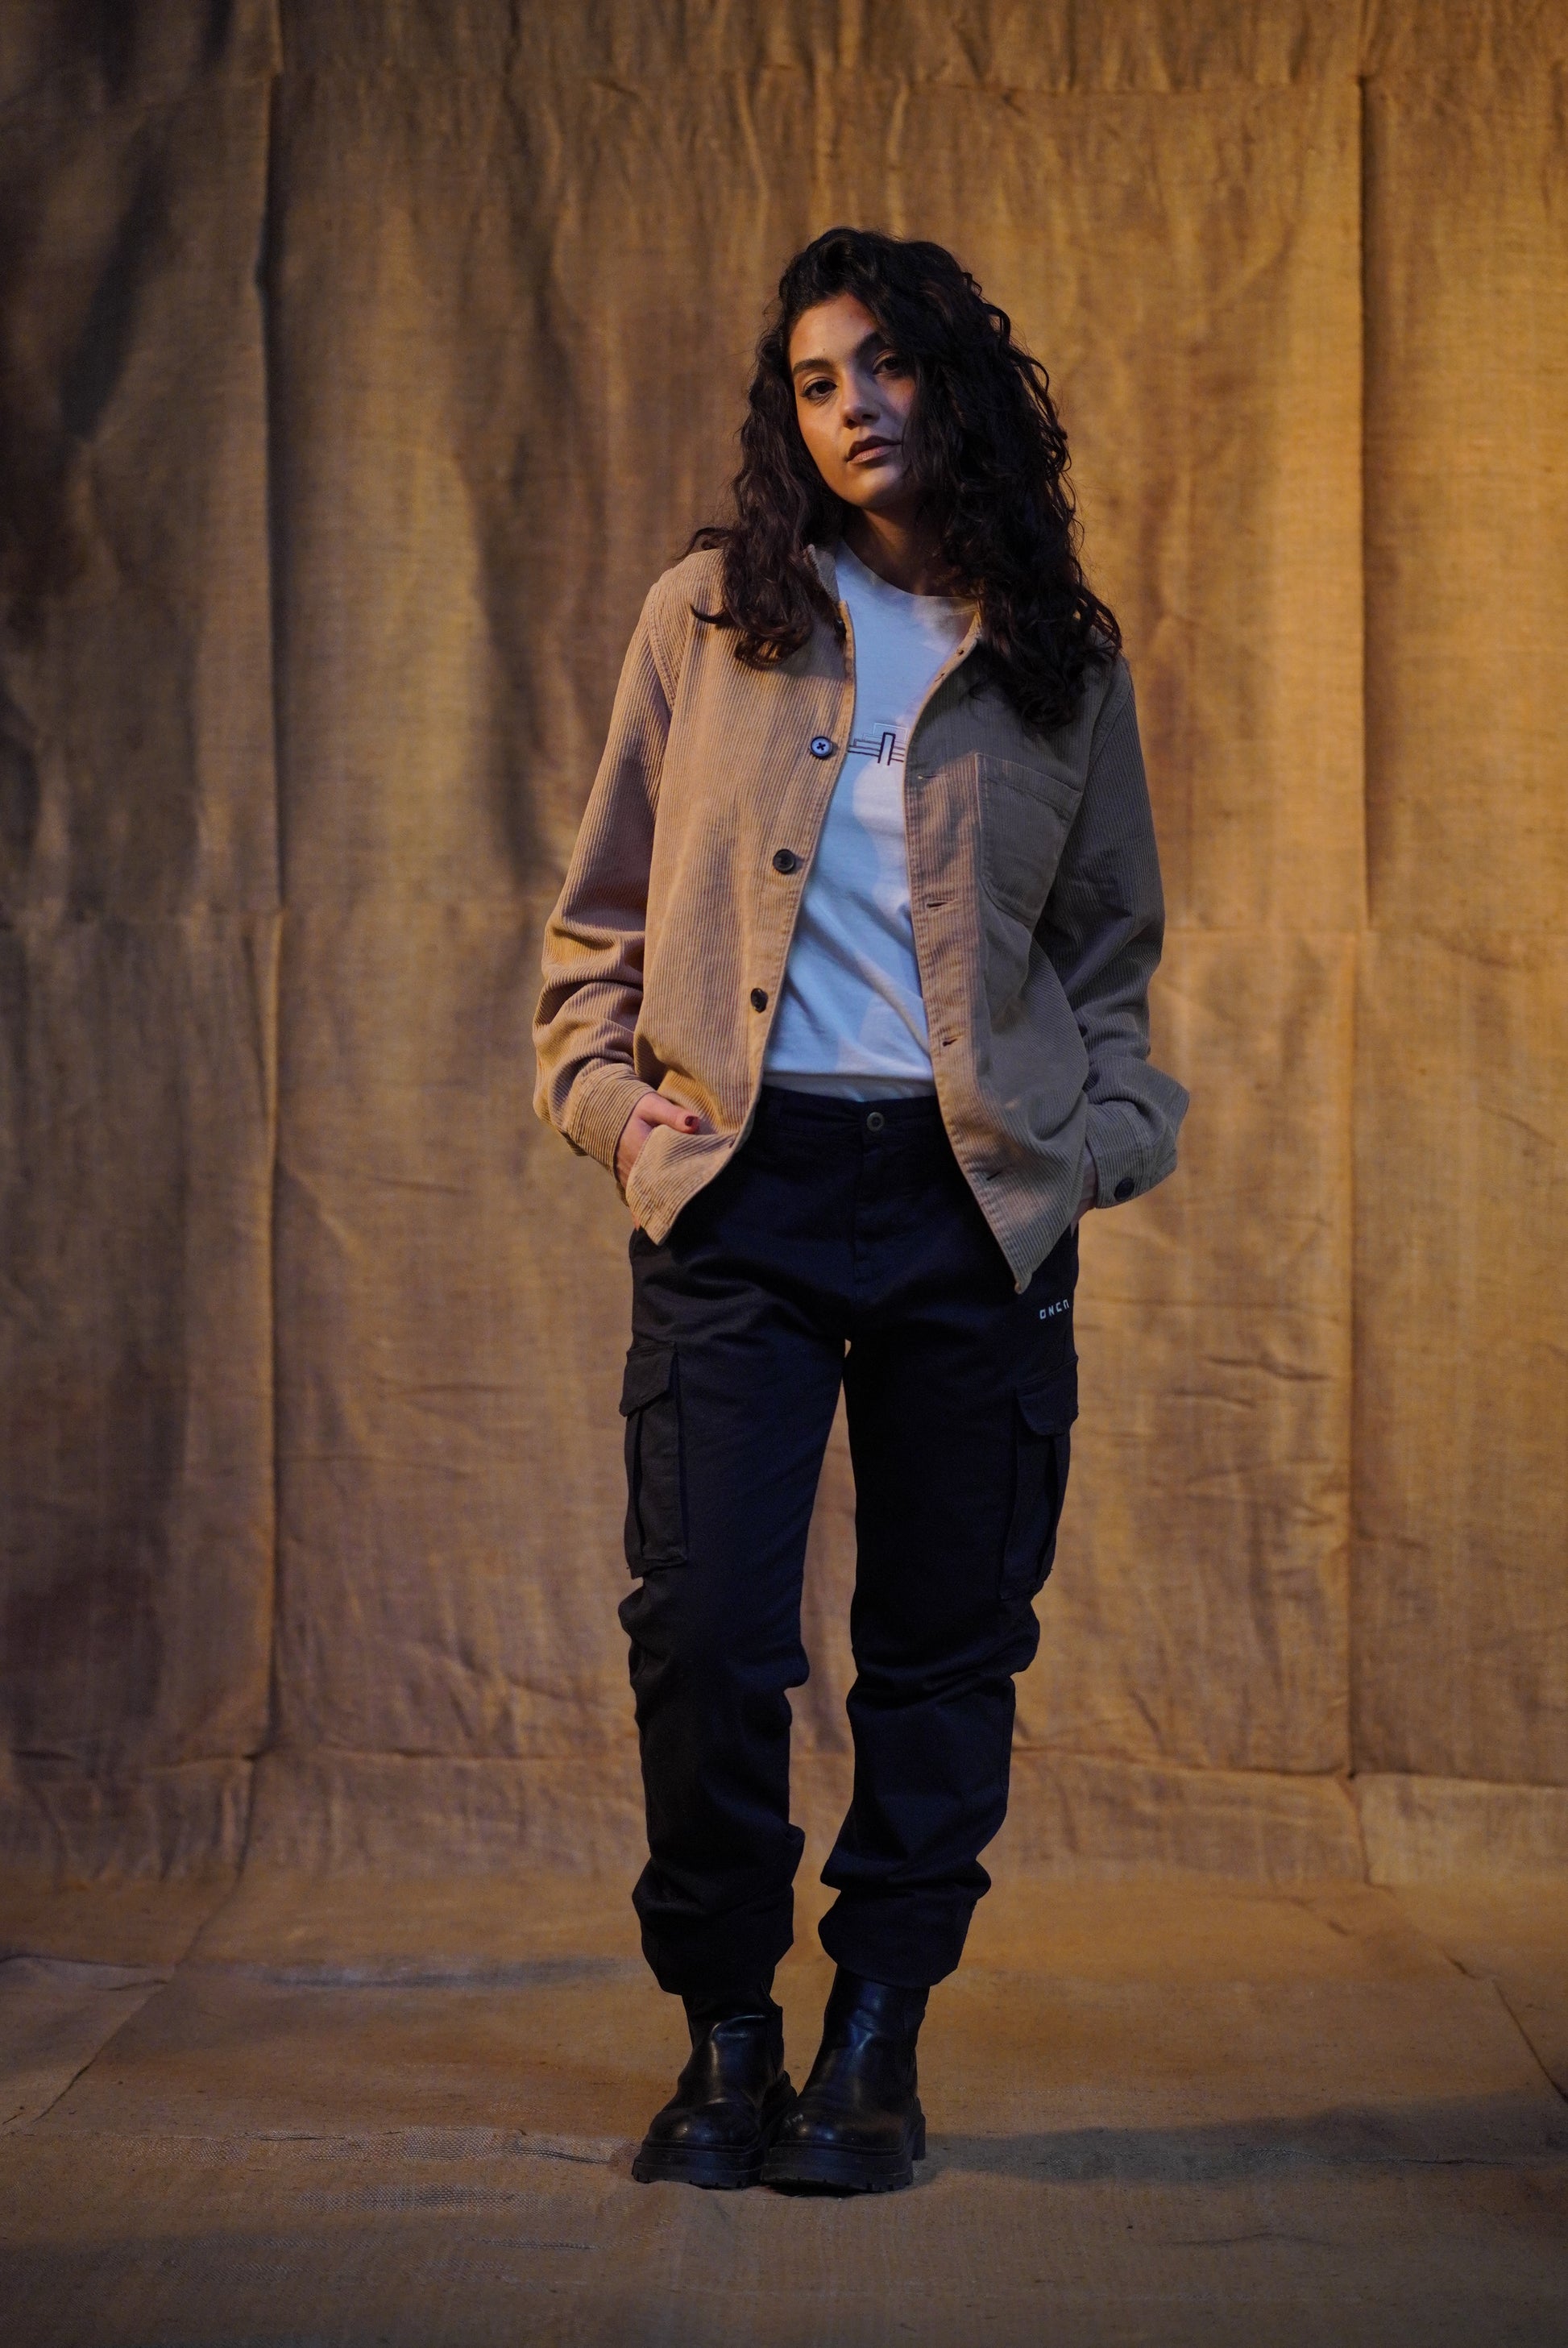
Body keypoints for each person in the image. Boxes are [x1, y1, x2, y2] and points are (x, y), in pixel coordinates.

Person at [533, 226, 1188, 2195]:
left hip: (969, 1206)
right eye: (815, 382)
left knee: (942, 1642)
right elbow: (598, 919)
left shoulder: (1059, 653)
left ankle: (877, 2038)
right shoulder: (708, 617)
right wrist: (611, 1109)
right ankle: (726, 2026)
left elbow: (1111, 951)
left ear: (954, 381)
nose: (852, 408)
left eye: (884, 365)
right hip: (741, 1188)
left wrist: (1097, 1140)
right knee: (707, 1626)